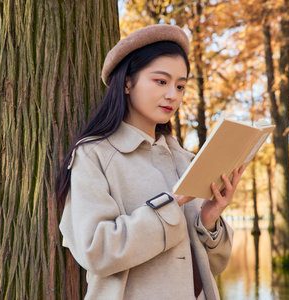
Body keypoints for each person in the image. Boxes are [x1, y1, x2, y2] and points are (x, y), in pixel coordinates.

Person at [56, 24, 245, 300]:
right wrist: (171, 204)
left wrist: (209, 219)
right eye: (161, 81)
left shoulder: (186, 159)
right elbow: (95, 251)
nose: (173, 95)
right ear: (128, 82)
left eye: (180, 86)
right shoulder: (94, 155)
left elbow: (215, 266)